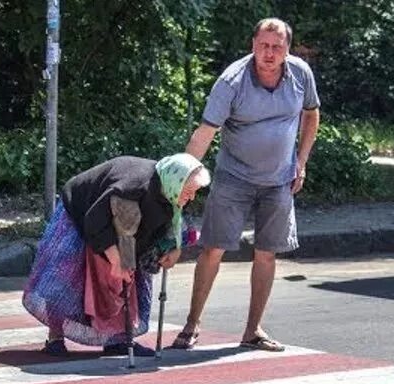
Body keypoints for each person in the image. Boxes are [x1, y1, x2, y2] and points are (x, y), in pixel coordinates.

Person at [172, 18, 320, 352]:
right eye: (264, 46)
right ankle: (191, 325)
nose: (269, 53)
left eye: (277, 47)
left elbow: (312, 114)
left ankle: (252, 330)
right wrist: (181, 179)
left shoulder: (300, 74)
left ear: (287, 50)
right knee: (213, 249)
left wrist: (302, 160)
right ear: (253, 44)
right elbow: (205, 133)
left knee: (267, 254)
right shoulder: (232, 81)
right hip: (233, 178)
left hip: (280, 180)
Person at [22, 153, 210, 356]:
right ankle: (55, 337)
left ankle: (118, 339)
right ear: (177, 181)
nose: (191, 197)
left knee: (128, 277)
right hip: (83, 210)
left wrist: (174, 248)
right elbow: (96, 223)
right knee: (68, 277)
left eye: (194, 192)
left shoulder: (172, 188)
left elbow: (166, 224)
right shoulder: (133, 187)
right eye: (189, 191)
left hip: (123, 226)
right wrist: (117, 260)